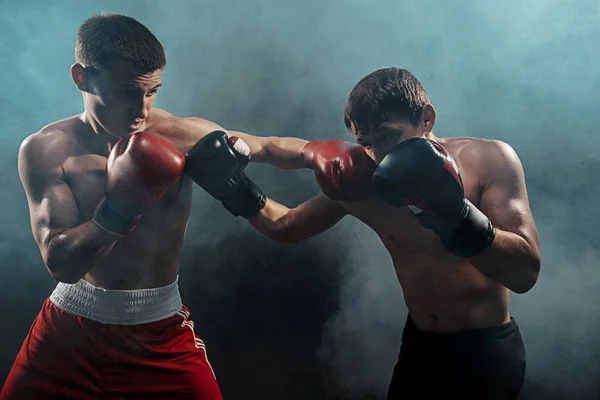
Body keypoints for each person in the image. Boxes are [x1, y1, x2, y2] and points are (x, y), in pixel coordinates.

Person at [1, 12, 307, 400]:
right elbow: (61, 263)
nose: (141, 110)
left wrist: (321, 155)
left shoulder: (179, 135)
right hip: (68, 333)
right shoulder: (47, 150)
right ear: (82, 77)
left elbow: (268, 146)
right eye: (127, 92)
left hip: (158, 332)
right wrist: (121, 208)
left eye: (152, 91)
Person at [199, 67, 542, 399]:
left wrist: (456, 214)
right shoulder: (362, 180)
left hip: (485, 351)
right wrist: (233, 188)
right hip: (421, 348)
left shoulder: (488, 159)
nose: (380, 156)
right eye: (367, 143)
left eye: (390, 137)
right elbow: (286, 225)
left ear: (427, 118)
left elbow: (525, 273)